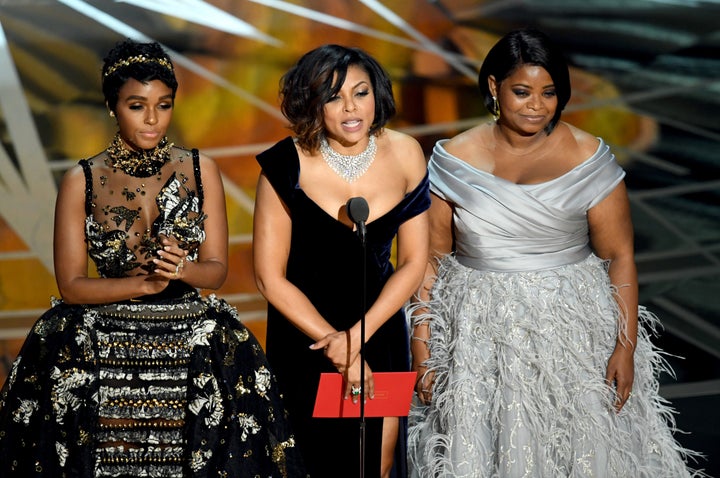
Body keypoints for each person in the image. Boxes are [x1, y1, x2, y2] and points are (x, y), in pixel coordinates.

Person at [407, 28, 706, 477]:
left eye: (549, 93)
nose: (536, 105)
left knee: (584, 448)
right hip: (478, 336)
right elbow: (431, 262)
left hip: (573, 331)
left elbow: (620, 256)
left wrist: (624, 349)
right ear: (494, 88)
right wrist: (421, 347)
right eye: (522, 92)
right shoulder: (452, 160)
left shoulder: (590, 158)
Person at [0, 39, 306, 477]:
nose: (151, 119)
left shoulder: (202, 169)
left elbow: (216, 270)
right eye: (136, 105)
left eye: (163, 105)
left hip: (188, 322)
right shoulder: (80, 180)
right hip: (102, 325)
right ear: (112, 106)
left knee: (228, 351)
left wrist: (183, 269)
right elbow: (71, 285)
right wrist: (143, 285)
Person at [252, 44, 430, 478]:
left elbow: (413, 261)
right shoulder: (285, 164)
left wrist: (358, 338)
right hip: (308, 337)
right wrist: (340, 347)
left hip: (379, 327)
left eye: (361, 93)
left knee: (378, 463)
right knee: (315, 463)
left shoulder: (406, 152)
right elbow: (268, 278)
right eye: (333, 97)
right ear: (312, 104)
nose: (351, 108)